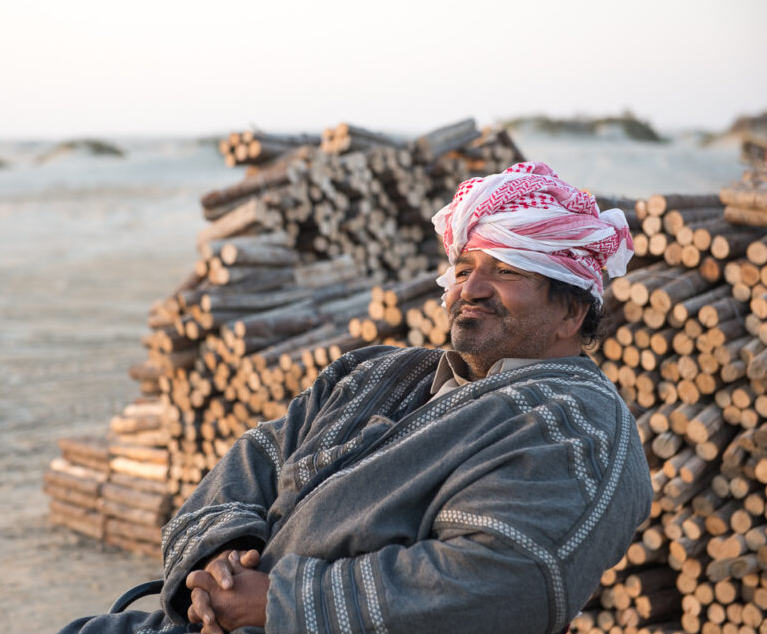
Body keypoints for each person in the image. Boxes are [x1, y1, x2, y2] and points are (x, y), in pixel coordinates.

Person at [58, 161, 653, 634]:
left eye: (508, 271)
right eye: (466, 266)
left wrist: (275, 603)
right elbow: (260, 453)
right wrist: (222, 557)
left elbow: (502, 579)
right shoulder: (377, 372)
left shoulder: (575, 429)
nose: (471, 288)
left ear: (573, 310)